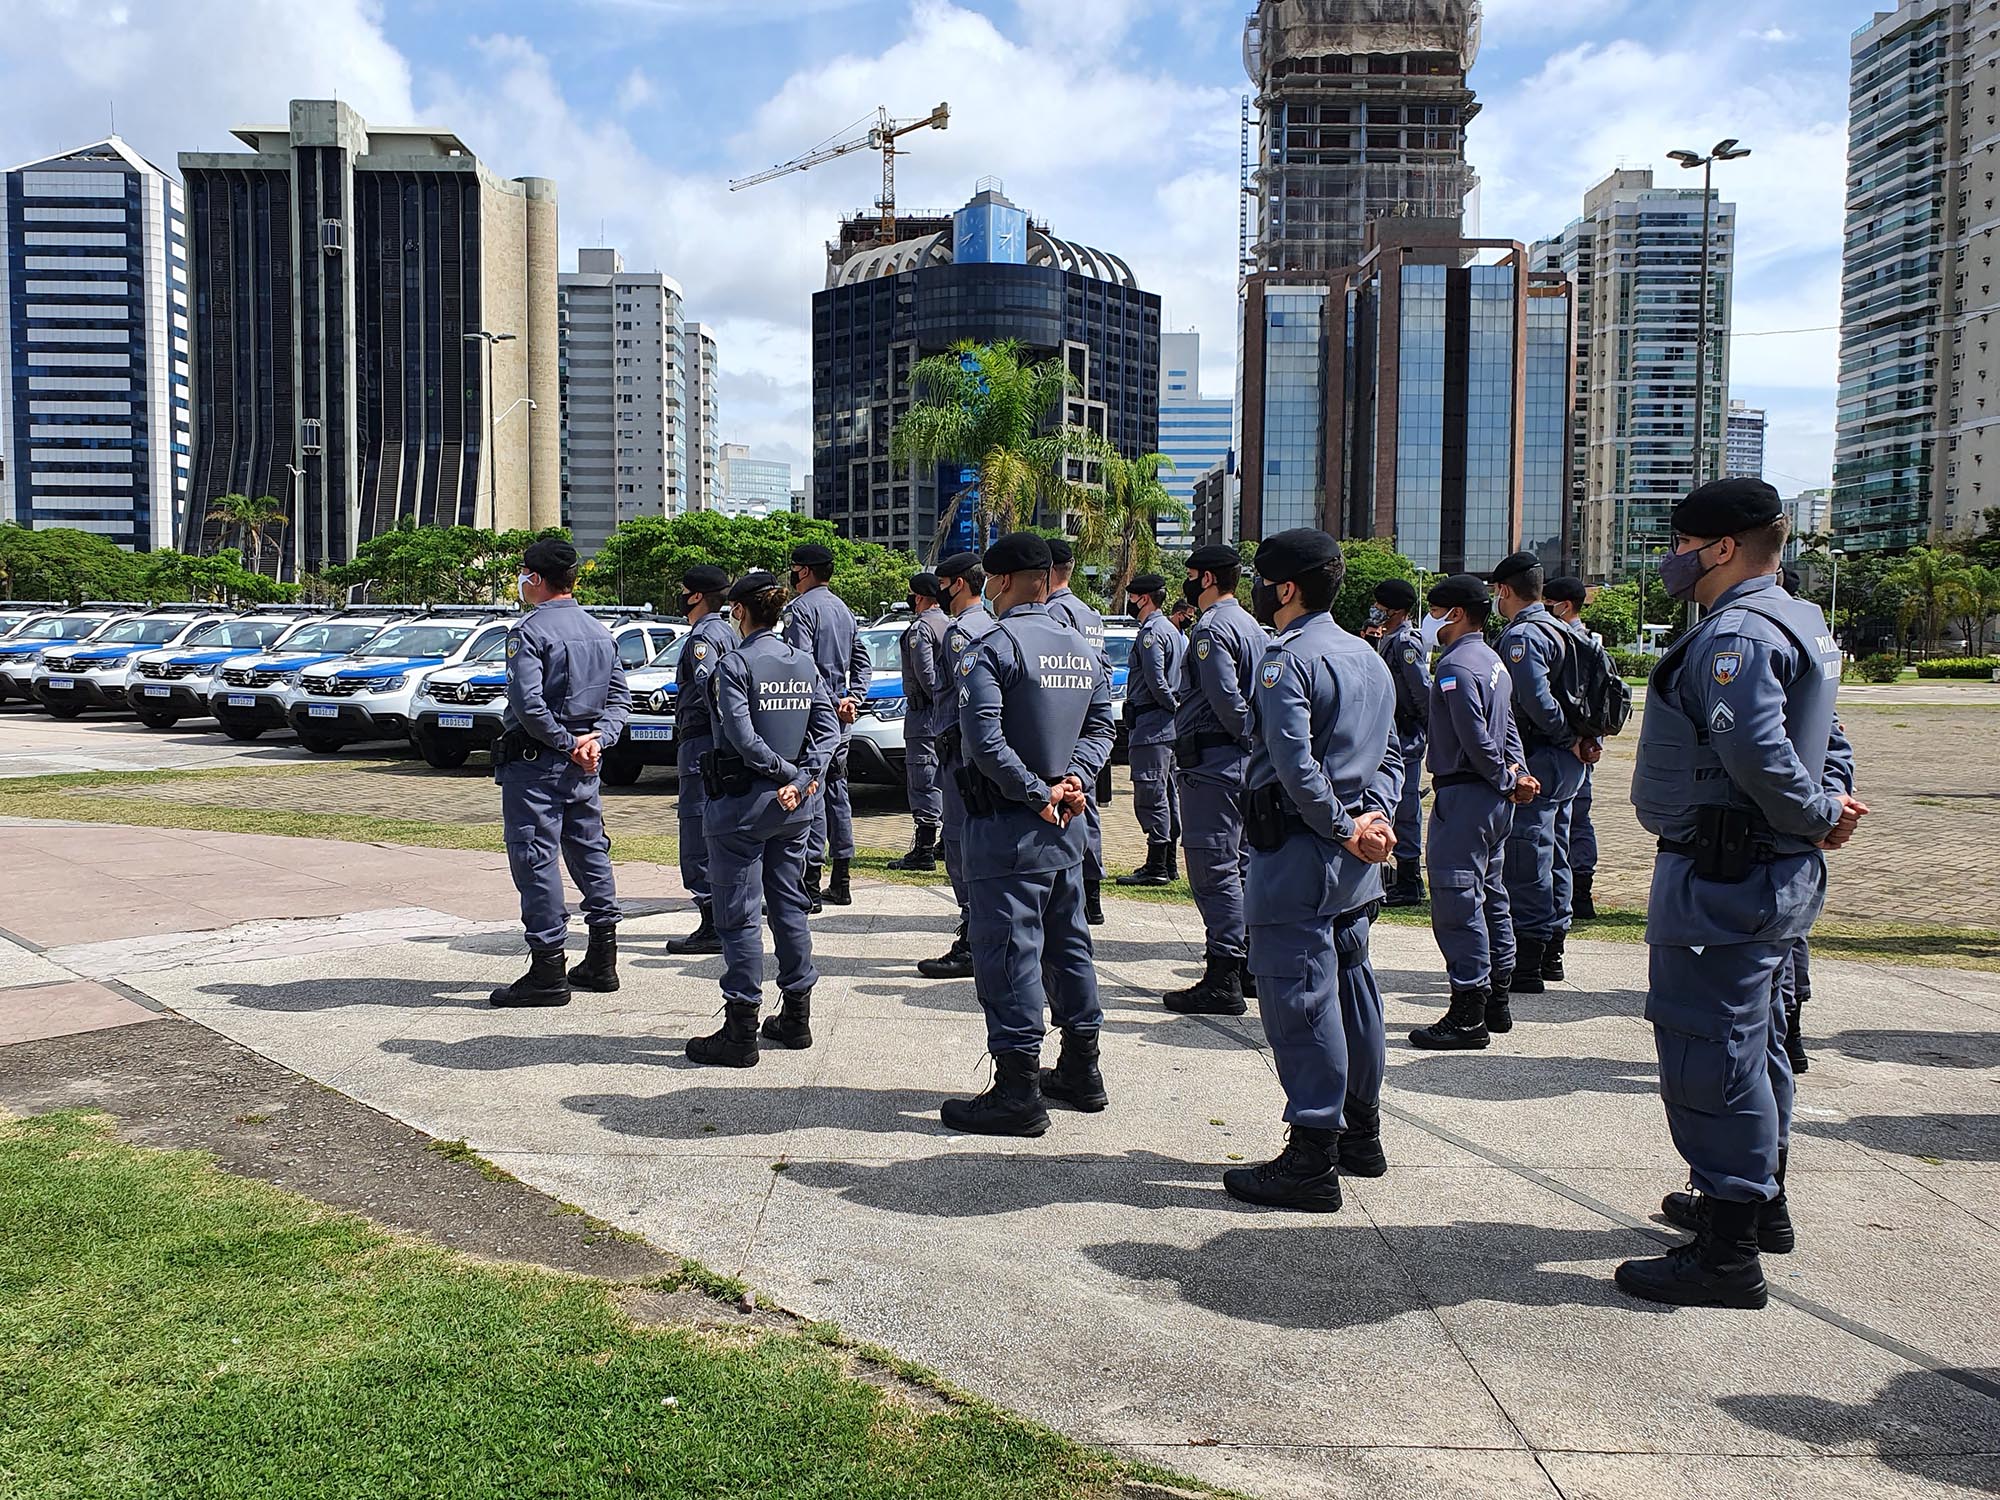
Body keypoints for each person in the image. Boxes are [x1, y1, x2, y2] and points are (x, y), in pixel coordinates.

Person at [1616, 477, 1865, 1310]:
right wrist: (1826, 808)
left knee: (1708, 1047)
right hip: (1769, 871)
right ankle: (1758, 1204)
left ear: (1722, 547)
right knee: (1758, 1043)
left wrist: (1815, 810)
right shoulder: (1803, 621)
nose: (1672, 557)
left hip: (1726, 877)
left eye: (1683, 542)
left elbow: (1757, 749)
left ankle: (1726, 1251)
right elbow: (1830, 736)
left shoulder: (1739, 635)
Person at [1225, 530, 1402, 1211]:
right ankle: (1361, 1131)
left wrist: (1341, 825)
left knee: (1301, 1001)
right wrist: (1374, 820)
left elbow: (1296, 764)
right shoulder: (1369, 658)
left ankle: (1311, 1156)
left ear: (1287, 588)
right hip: (1356, 856)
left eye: (1264, 581)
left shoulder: (1284, 660)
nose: (1260, 592)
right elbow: (1391, 754)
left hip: (1304, 850)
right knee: (1354, 990)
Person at [940, 532, 1117, 1136]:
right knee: (1068, 945)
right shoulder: (1085, 649)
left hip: (1008, 826)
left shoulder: (991, 646)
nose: (987, 589)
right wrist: (1072, 781)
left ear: (1010, 580)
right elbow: (1101, 728)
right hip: (1067, 826)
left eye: (991, 579)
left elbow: (985, 742)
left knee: (1009, 953)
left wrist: (1038, 793)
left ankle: (1017, 1090)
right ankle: (1081, 1069)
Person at [685, 571, 841, 1067]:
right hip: (793, 810)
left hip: (741, 808)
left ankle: (741, 1030)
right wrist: (802, 778)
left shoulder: (734, 666)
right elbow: (828, 730)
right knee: (790, 907)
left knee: (739, 917)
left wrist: (785, 773)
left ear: (738, 611)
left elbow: (741, 737)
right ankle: (796, 1016)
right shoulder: (803, 663)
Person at [489, 537, 632, 1008]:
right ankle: (602, 957)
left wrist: (570, 744)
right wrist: (596, 741)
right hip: (584, 765)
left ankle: (549, 968)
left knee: (536, 859)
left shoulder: (528, 632)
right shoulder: (600, 632)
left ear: (535, 578)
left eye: (524, 574)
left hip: (539, 765)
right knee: (591, 852)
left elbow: (528, 705)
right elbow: (619, 702)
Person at [1408, 575, 1539, 1050]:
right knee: (1492, 896)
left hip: (1467, 795)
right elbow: (1507, 730)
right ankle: (1496, 1000)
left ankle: (1468, 1012)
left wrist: (1506, 777)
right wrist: (1517, 775)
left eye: (1436, 610)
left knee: (1458, 900)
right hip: (1493, 800)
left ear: (1456, 614)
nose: (1431, 620)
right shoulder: (1493, 662)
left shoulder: (1455, 666)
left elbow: (1474, 736)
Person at [1165, 543, 1267, 1015]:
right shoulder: (1249, 624)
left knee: (1213, 868)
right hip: (1240, 766)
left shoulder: (1211, 629)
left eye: (1191, 575)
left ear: (1206, 579)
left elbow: (1227, 698)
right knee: (1240, 865)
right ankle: (1244, 963)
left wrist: (1245, 735)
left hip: (1215, 765)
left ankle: (1223, 973)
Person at [1491, 551, 1596, 994]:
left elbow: (1533, 699)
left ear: (1503, 591)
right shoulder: (1565, 629)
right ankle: (1552, 948)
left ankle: (1530, 958)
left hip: (1541, 757)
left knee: (1528, 856)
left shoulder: (1525, 636)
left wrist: (1562, 736)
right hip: (1566, 762)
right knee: (1555, 853)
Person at [782, 542, 867, 909]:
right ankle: (842, 877)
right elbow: (862, 660)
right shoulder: (844, 610)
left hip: (813, 717)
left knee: (812, 794)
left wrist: (831, 703)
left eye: (795, 568)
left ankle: (811, 883)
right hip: (841, 718)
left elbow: (801, 664)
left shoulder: (800, 610)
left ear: (805, 571)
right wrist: (853, 699)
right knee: (838, 794)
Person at [666, 565, 736, 955]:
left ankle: (711, 920)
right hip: (713, 743)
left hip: (701, 744)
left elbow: (713, 690)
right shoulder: (725, 631)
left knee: (696, 832)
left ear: (696, 596)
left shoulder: (704, 636)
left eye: (683, 591)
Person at [1043, 536, 1110, 924]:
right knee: (1088, 803)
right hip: (1091, 717)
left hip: (1065, 717)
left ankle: (1078, 890)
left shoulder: (1054, 614)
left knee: (1067, 801)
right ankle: (1093, 891)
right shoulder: (1091, 614)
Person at [1115, 571, 1184, 887]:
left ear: (1142, 598)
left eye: (1131, 597)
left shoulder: (1151, 634)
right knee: (1167, 792)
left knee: (1151, 792)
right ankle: (1167, 863)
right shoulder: (1170, 629)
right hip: (1162, 726)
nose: (1129, 602)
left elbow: (1157, 681)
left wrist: (1171, 706)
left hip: (1152, 724)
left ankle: (1157, 865)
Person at [1542, 576, 1601, 921]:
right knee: (1578, 821)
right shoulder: (1593, 642)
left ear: (1564, 605)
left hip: (1562, 746)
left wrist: (1575, 741)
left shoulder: (1563, 641)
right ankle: (1580, 893)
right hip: (1583, 747)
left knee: (1562, 824)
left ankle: (1567, 895)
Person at [1371, 577, 1431, 908]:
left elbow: (1421, 693)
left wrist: (1424, 730)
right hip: (1390, 736)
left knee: (1406, 808)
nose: (1376, 610)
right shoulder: (1388, 639)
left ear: (1395, 610)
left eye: (1380, 606)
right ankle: (1397, 874)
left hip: (1405, 738)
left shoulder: (1405, 643)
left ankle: (1410, 880)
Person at [890, 572, 948, 872]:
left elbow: (926, 676)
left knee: (923, 777)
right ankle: (944, 843)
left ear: (921, 597)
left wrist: (934, 703)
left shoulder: (921, 628)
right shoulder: (948, 624)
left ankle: (923, 848)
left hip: (924, 714)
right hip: (944, 716)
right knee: (943, 777)